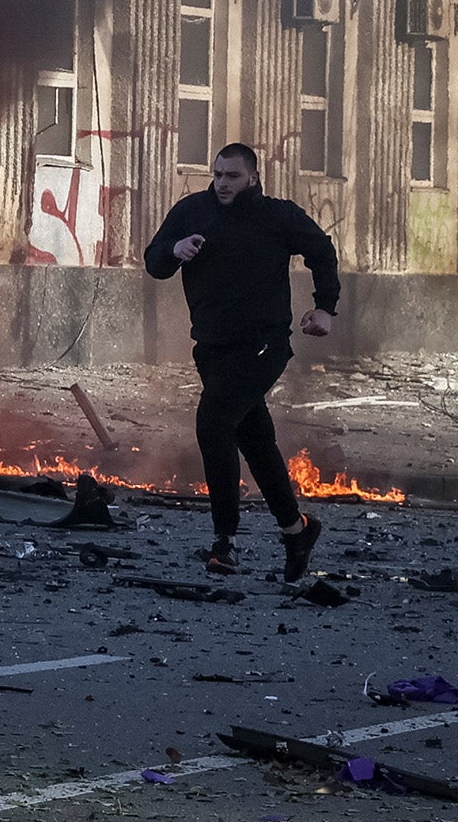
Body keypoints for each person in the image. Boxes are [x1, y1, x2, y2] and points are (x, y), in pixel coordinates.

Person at [144, 142, 337, 581]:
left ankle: (224, 542)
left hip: (263, 345)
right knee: (253, 438)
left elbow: (321, 251)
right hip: (212, 347)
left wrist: (324, 307)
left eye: (231, 176)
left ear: (252, 177)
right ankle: (296, 530)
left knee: (213, 422)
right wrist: (175, 250)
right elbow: (154, 262)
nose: (222, 184)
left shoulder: (276, 215)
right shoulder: (193, 211)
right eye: (216, 175)